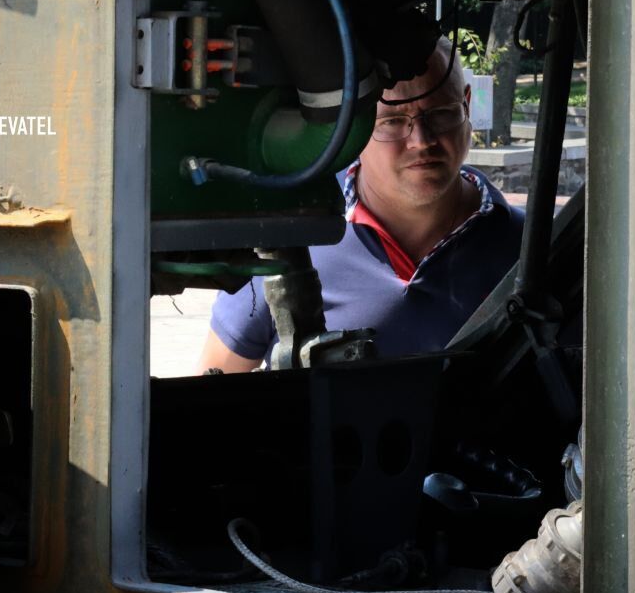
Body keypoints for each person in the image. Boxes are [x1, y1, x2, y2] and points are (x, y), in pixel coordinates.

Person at [196, 37, 524, 373]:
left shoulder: (530, 247)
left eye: (440, 113)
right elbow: (214, 384)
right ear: (354, 127)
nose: (422, 141)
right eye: (393, 122)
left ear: (467, 105)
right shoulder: (291, 231)